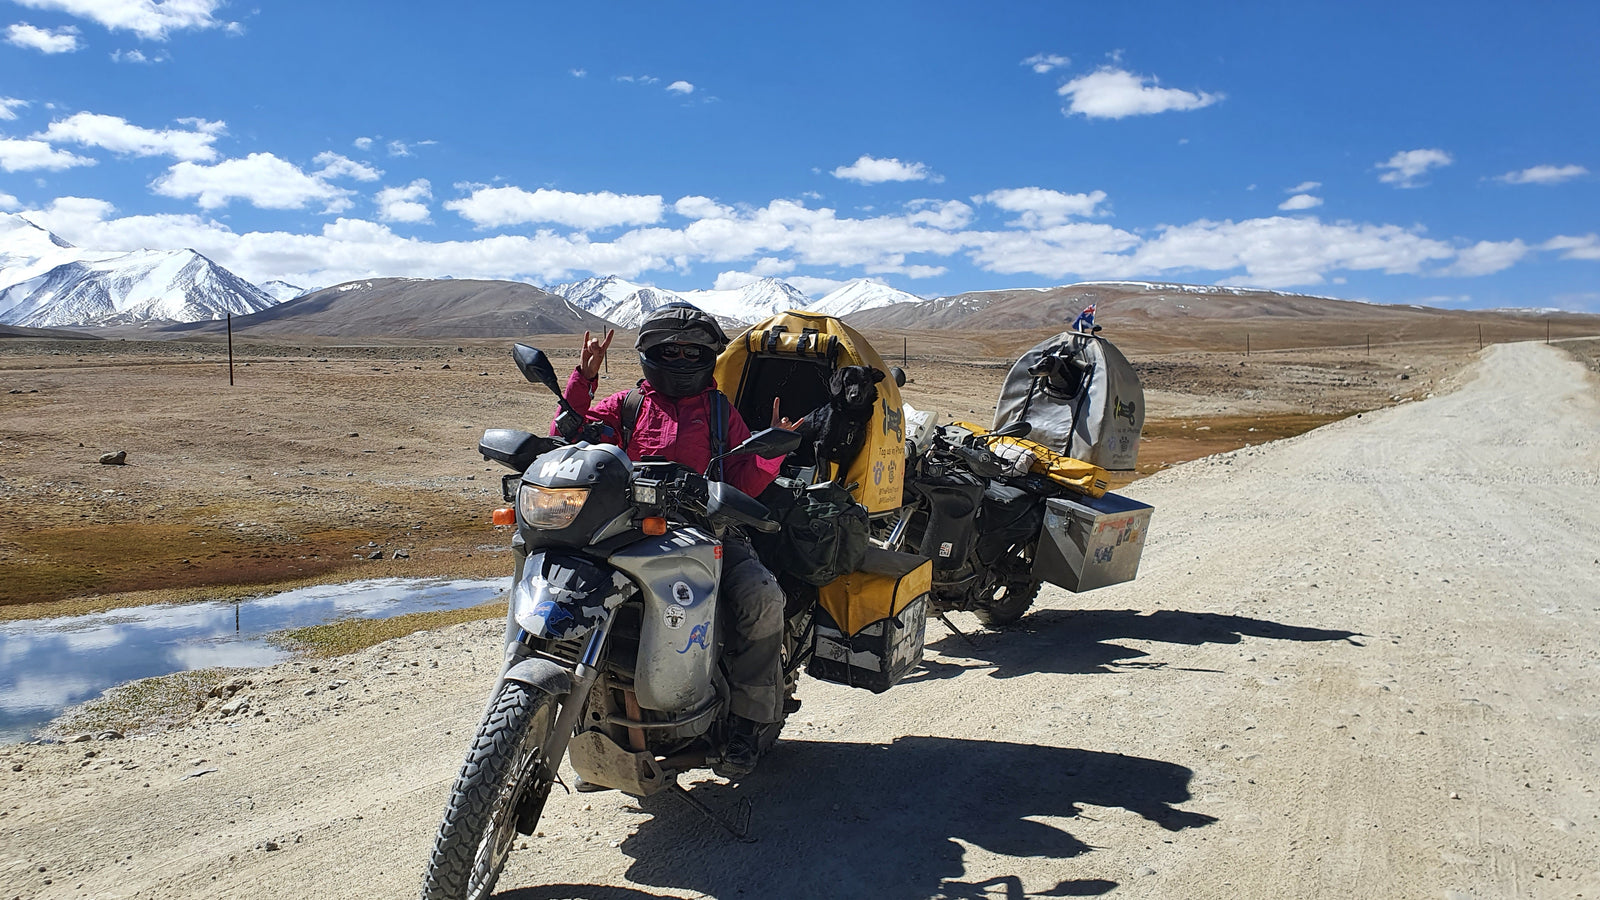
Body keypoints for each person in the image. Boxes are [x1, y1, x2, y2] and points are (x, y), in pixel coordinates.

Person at [554, 303, 786, 778]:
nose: (681, 360)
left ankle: (749, 721)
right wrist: (583, 378)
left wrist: (773, 450)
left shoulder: (721, 414)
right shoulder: (626, 406)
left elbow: (743, 476)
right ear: (650, 356)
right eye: (670, 351)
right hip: (626, 527)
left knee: (760, 597)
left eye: (691, 352)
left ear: (708, 358)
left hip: (708, 529)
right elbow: (569, 437)